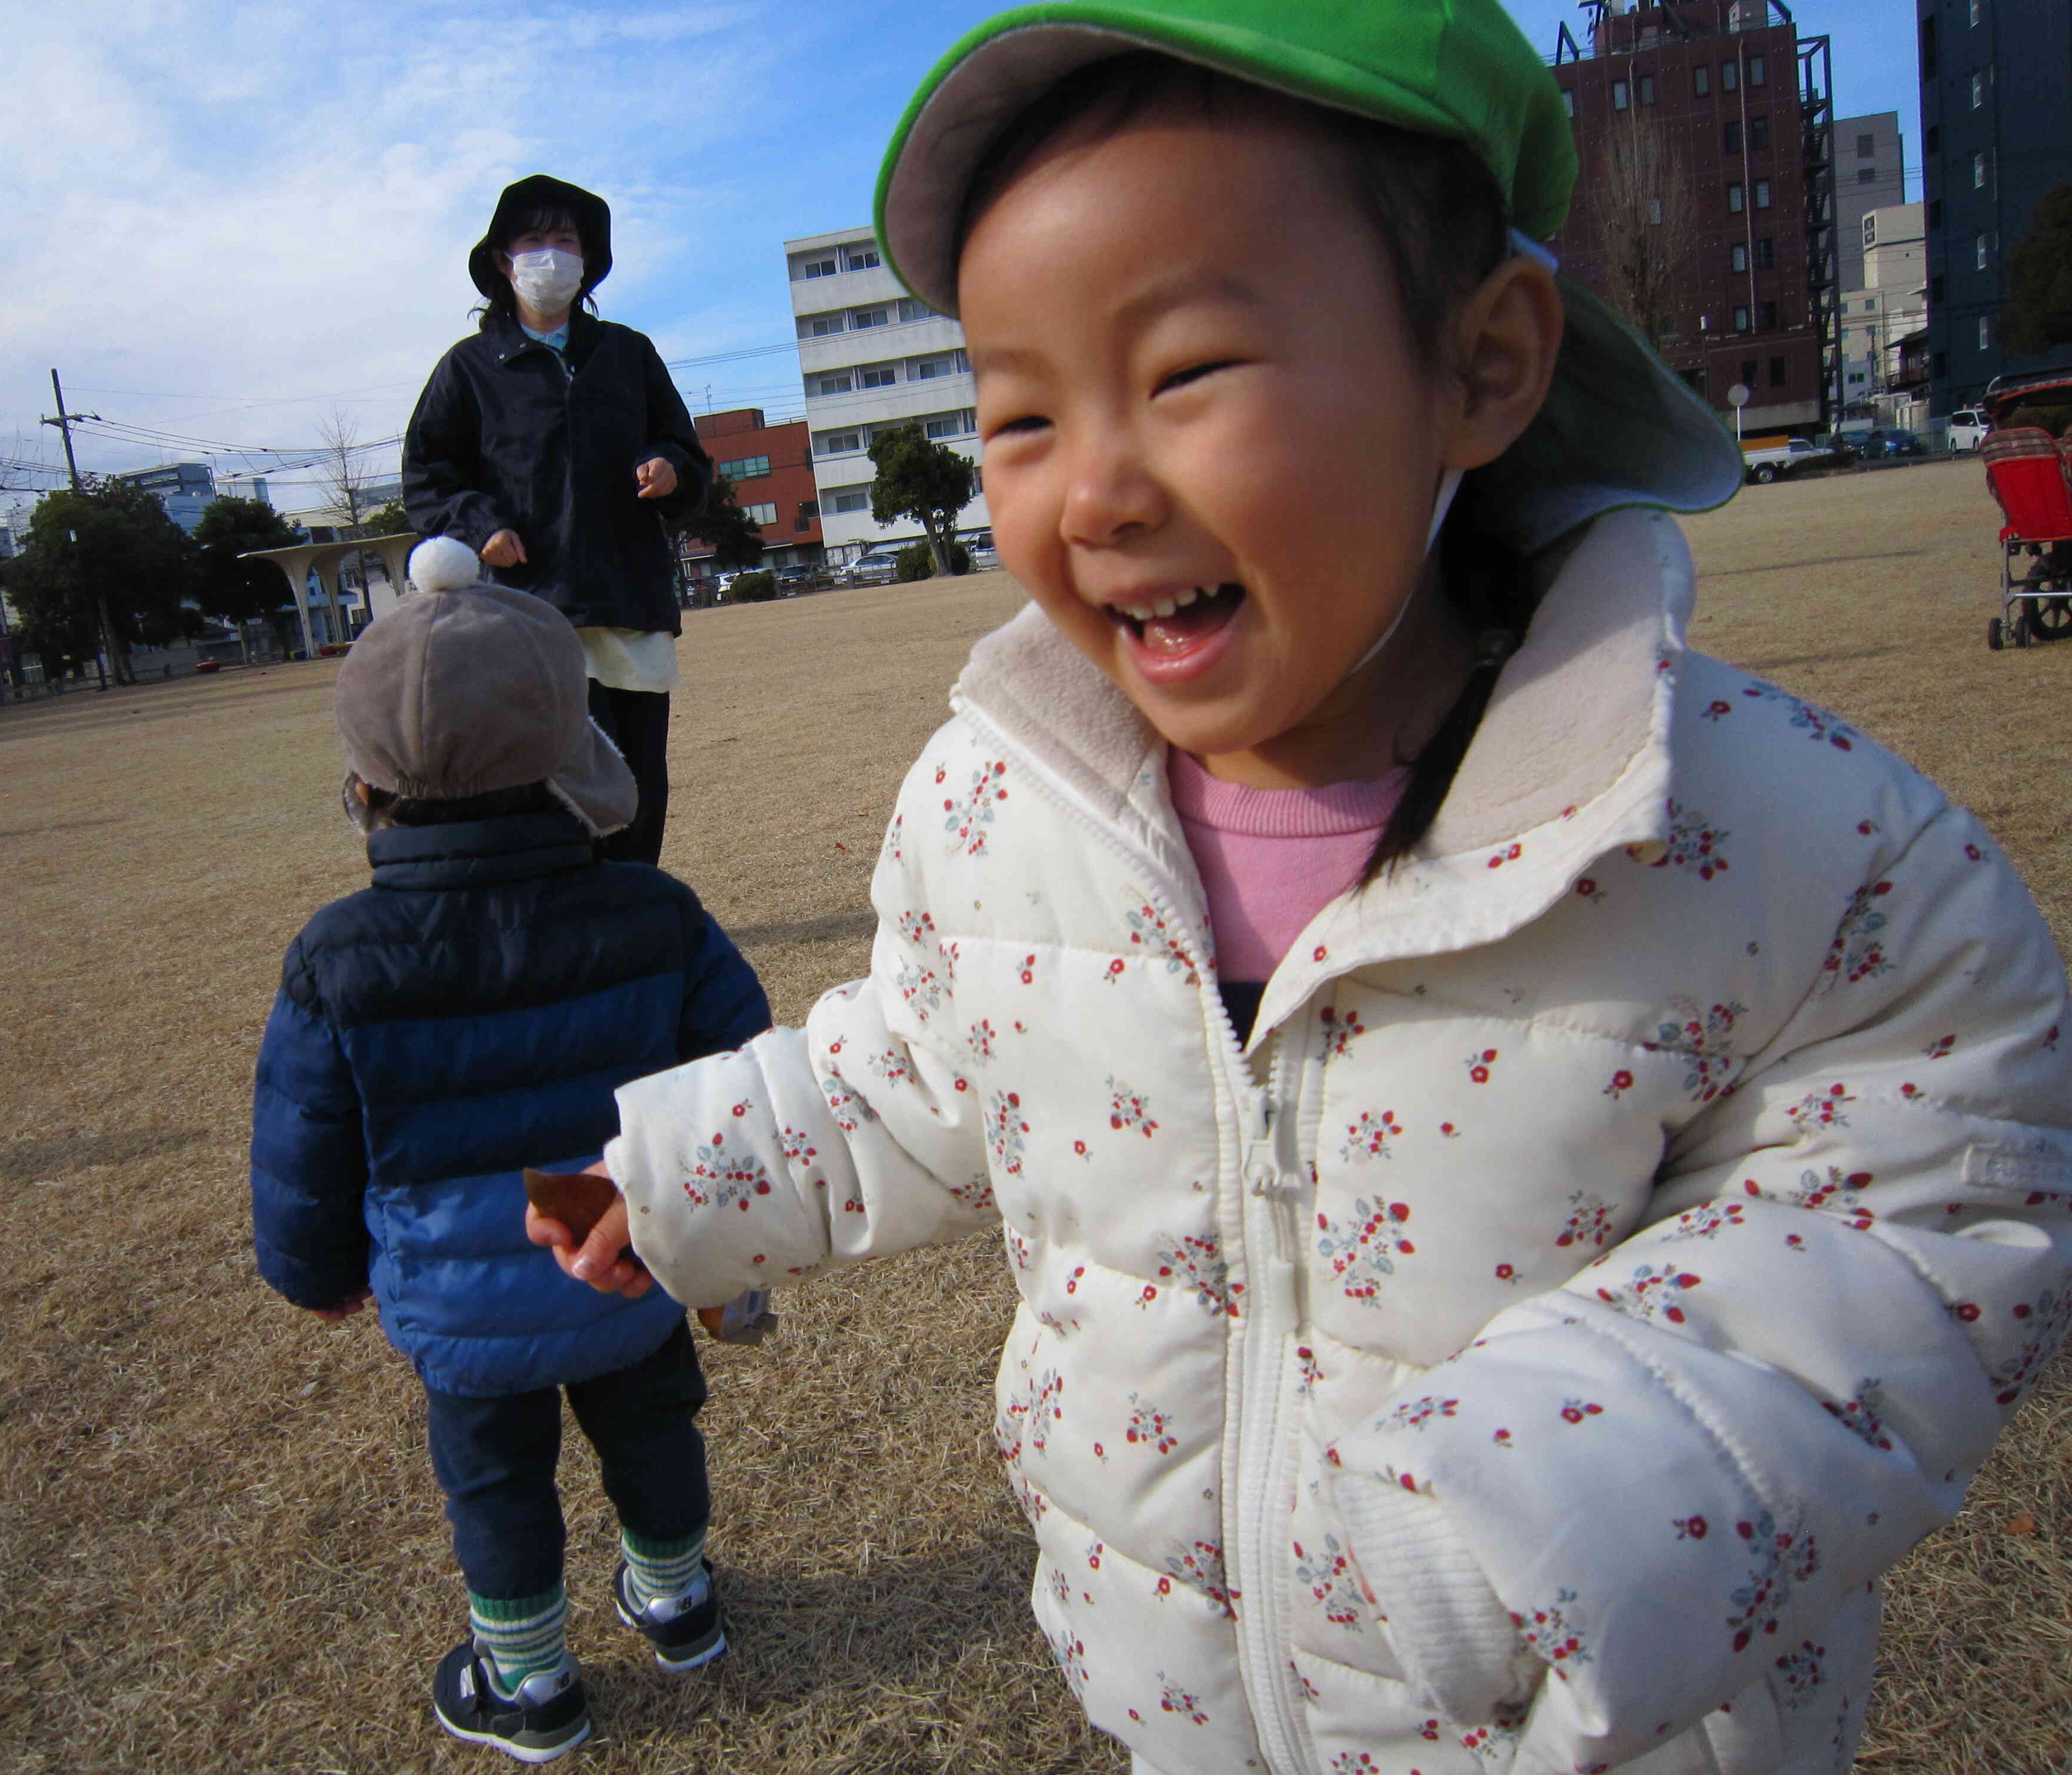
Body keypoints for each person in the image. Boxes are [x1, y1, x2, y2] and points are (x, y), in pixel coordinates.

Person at [529, 6, 2072, 1773]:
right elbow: (929, 1066)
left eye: (1185, 374)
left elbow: (1935, 1192)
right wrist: (676, 1174)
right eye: (1019, 412)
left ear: (1482, 364)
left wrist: (1551, 1489)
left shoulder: (1752, 829)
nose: (1095, 488)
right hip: (1177, 1698)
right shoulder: (1004, 801)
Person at [248, 539, 768, 1761]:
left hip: (457, 1297)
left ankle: (530, 1684)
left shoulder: (339, 955)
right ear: (567, 742)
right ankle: (679, 1601)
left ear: (368, 778)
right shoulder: (652, 911)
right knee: (652, 1430)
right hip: (629, 1259)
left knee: (494, 1480)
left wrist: (314, 1273)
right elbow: (744, 1083)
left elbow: (303, 1138)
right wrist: (739, 1246)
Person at [403, 175, 710, 869]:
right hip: (528, 612)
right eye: (533, 241)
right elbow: (427, 478)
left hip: (628, 600)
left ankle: (635, 908)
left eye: (565, 241)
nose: (550, 256)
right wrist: (479, 525)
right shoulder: (470, 369)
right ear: (503, 261)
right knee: (556, 782)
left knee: (637, 782)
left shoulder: (628, 354)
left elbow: (689, 455)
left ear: (587, 259)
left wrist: (670, 467)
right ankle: (573, 913)